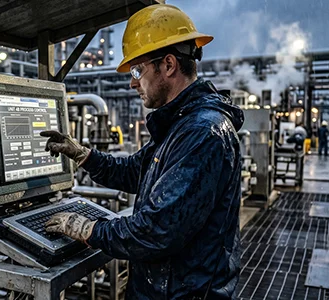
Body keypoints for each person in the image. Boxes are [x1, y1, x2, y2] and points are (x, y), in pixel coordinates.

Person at [39, 4, 244, 299]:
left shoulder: (202, 132)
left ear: (169, 65)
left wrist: (89, 230)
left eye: (138, 69)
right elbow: (136, 171)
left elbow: (158, 231)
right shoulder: (179, 123)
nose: (133, 82)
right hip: (164, 287)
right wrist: (82, 153)